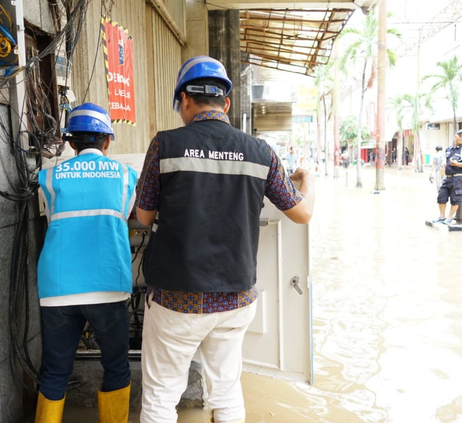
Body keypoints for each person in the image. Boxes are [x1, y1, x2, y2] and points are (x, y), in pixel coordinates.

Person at [135, 56, 315, 423]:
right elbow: (301, 213)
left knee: (161, 396)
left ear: (184, 99)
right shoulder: (261, 151)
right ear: (226, 103)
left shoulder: (164, 145)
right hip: (234, 299)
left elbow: (144, 216)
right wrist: (307, 179)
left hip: (175, 299)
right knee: (227, 389)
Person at [35, 103, 137, 423]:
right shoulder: (125, 175)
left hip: (58, 287)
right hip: (108, 284)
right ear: (107, 141)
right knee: (116, 367)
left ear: (70, 142)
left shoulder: (49, 177)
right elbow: (126, 213)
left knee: (55, 371)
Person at [432, 129, 462, 224]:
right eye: (460, 135)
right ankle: (442, 217)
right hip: (448, 177)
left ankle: (449, 218)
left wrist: (457, 164)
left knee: (456, 199)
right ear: (455, 136)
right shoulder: (448, 149)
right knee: (441, 196)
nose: (461, 138)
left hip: (459, 178)